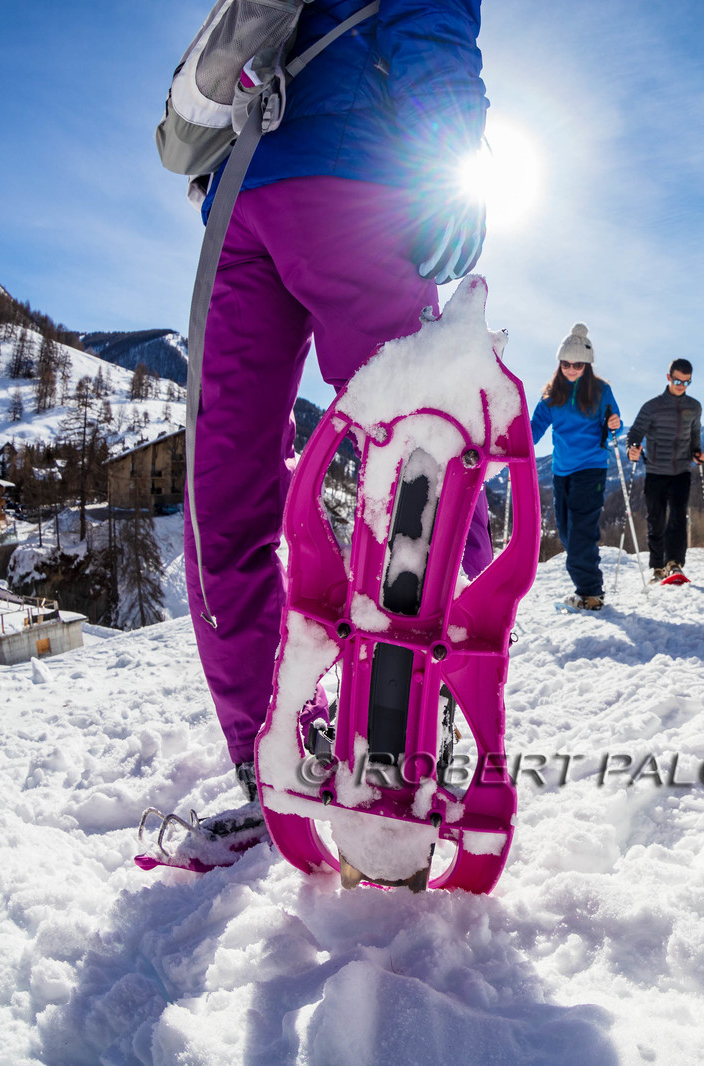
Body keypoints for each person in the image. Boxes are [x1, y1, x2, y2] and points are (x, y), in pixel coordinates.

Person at [185, 0, 489, 801]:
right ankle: (418, 733)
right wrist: (451, 160)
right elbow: (431, 21)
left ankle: (269, 758)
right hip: (352, 178)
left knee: (222, 482)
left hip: (240, 193)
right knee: (425, 448)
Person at [532, 324, 621, 610]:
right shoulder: (550, 396)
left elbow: (615, 420)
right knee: (568, 533)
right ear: (560, 364)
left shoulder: (600, 391)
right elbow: (533, 430)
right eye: (566, 364)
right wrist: (510, 441)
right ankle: (587, 588)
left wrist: (614, 424)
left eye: (578, 364)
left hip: (591, 468)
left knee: (582, 531)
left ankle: (591, 592)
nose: (572, 369)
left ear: (588, 364)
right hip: (562, 472)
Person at [626, 359, 704, 581]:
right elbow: (634, 433)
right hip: (655, 471)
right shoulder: (652, 407)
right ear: (669, 377)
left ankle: (675, 564)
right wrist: (632, 449)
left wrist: (697, 452)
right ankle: (657, 567)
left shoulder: (694, 406)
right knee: (656, 519)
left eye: (687, 382)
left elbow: (695, 434)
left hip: (681, 470)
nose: (681, 385)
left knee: (679, 517)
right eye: (678, 380)